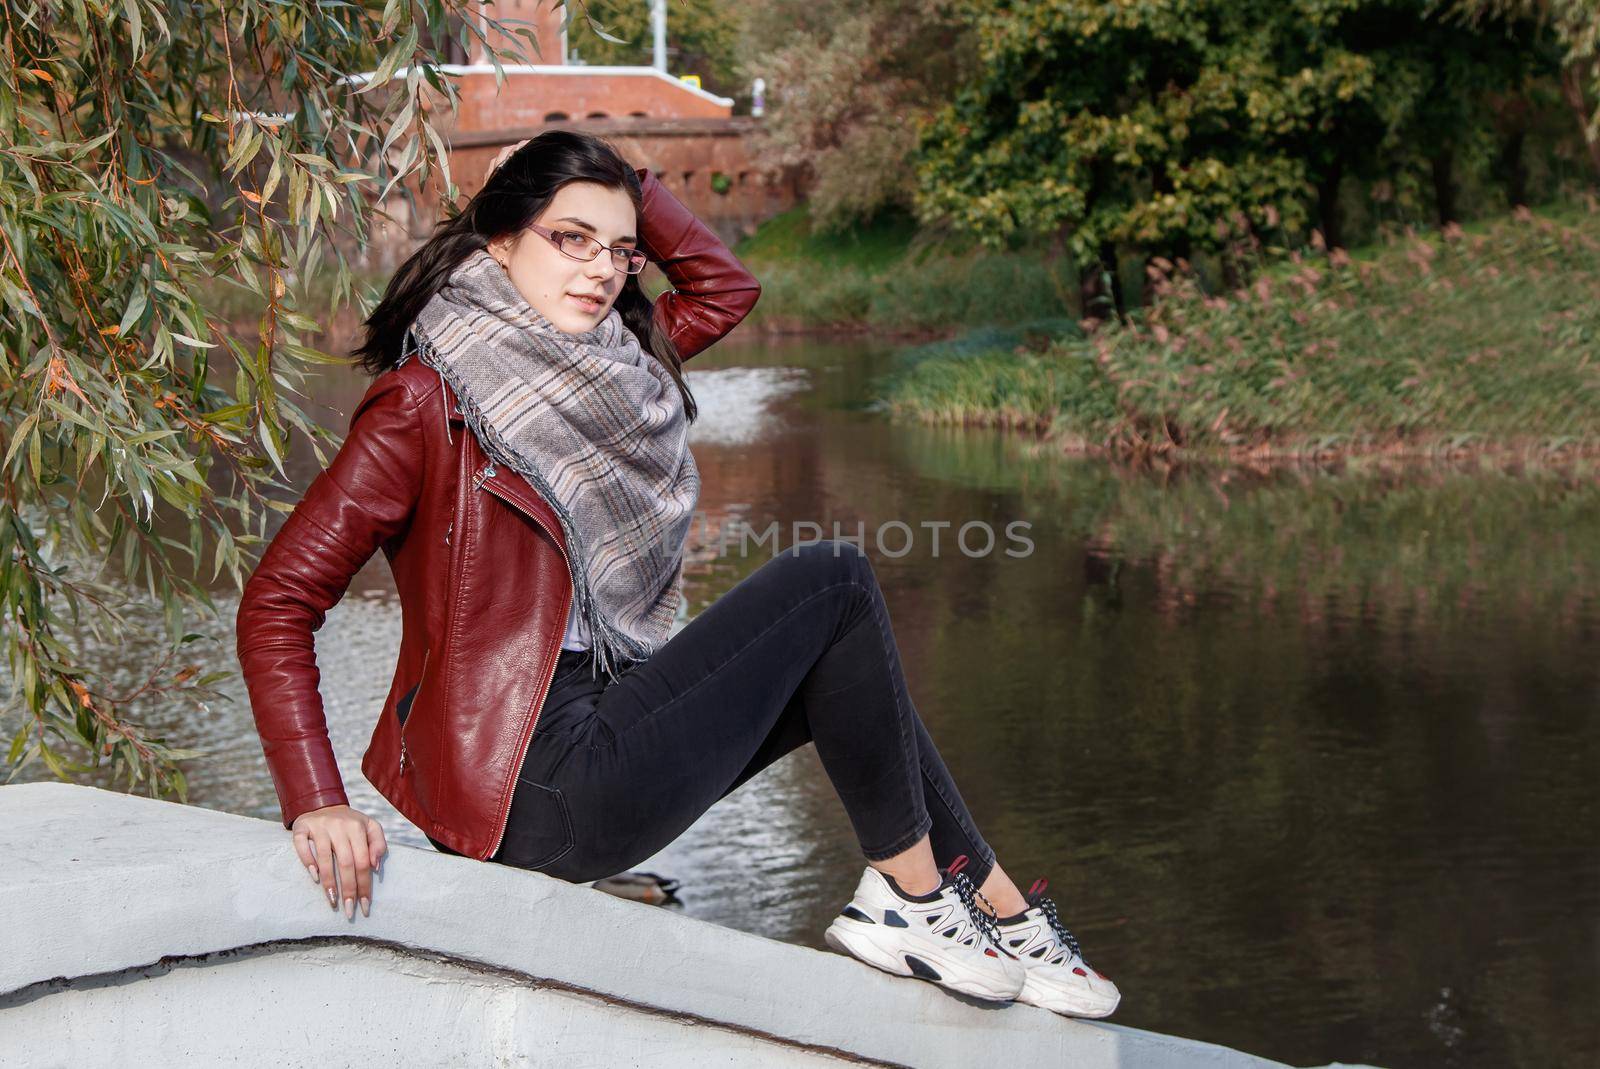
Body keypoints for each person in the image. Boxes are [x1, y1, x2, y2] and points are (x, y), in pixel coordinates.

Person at [235, 129, 1119, 1019]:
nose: (603, 270)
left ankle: (998, 909)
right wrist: (316, 799)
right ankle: (916, 901)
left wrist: (625, 178)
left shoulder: (616, 368)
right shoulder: (425, 404)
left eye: (619, 249)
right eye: (569, 238)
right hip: (531, 787)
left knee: (840, 667)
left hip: (593, 734)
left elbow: (723, 286)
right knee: (833, 581)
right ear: (499, 237)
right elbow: (279, 599)